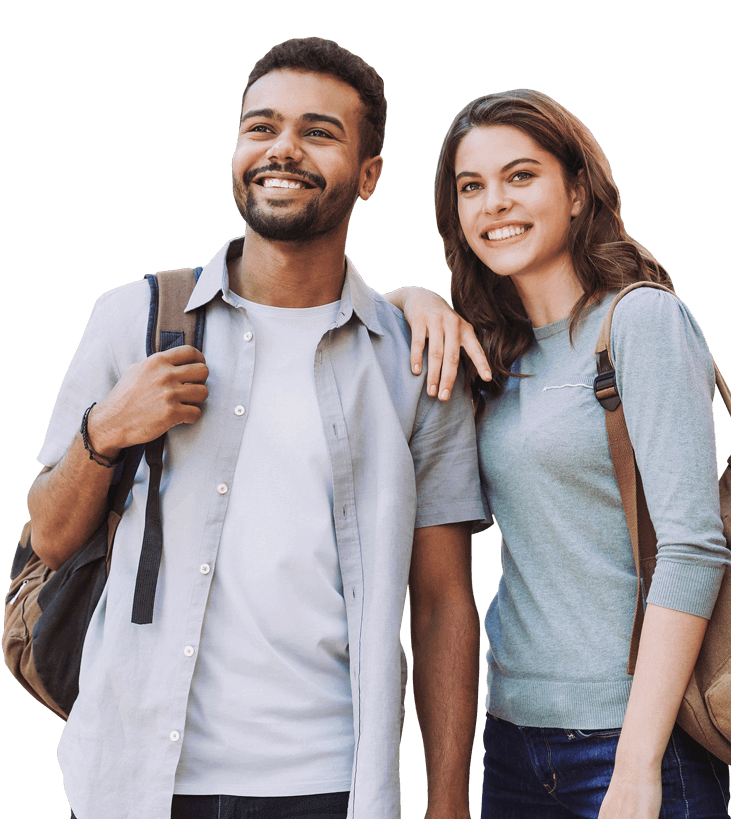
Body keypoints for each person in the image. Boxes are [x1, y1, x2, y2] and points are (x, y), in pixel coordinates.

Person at [27, 38, 485, 819]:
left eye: (318, 131)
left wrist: (446, 798)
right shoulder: (132, 320)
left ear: (369, 175)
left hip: (329, 783)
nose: (282, 149)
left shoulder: (414, 360)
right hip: (139, 778)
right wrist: (106, 430)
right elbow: (48, 536)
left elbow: (443, 601)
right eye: (261, 127)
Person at [387, 89, 731, 818]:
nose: (494, 204)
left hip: (633, 738)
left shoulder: (641, 321)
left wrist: (638, 765)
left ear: (576, 191)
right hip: (514, 736)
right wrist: (411, 296)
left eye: (521, 176)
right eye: (471, 186)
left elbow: (694, 548)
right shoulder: (492, 354)